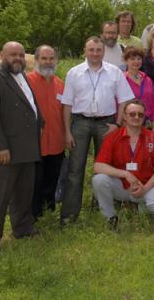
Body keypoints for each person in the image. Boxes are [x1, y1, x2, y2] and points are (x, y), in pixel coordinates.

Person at [0, 41, 42, 251]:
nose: (18, 59)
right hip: (5, 151)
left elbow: (29, 106)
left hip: (27, 148)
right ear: (1, 56)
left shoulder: (22, 76)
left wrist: (40, 124)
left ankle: (22, 229)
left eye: (21, 55)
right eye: (13, 55)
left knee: (23, 194)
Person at [60, 36, 135, 224]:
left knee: (106, 170)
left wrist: (117, 124)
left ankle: (104, 211)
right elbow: (67, 104)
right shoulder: (73, 73)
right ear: (85, 50)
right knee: (75, 170)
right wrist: (67, 132)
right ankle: (69, 216)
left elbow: (125, 99)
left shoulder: (114, 72)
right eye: (91, 50)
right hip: (80, 123)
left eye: (98, 50)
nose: (95, 53)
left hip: (106, 124)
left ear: (103, 51)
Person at [92, 100, 154, 229]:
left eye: (140, 114)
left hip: (144, 186)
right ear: (125, 116)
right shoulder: (113, 137)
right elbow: (98, 166)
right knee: (99, 179)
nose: (136, 117)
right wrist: (125, 174)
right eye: (132, 114)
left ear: (144, 118)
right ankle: (110, 217)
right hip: (121, 186)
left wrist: (145, 188)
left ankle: (139, 208)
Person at [27, 45, 65, 219]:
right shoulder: (27, 82)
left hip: (57, 142)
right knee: (35, 182)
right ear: (36, 61)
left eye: (51, 59)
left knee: (52, 179)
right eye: (44, 58)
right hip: (35, 143)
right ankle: (34, 216)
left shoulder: (60, 84)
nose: (48, 62)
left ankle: (48, 212)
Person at [123, 46, 154, 128]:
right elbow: (118, 104)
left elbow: (153, 102)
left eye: (139, 58)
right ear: (126, 61)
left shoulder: (147, 80)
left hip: (146, 122)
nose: (136, 61)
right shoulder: (122, 80)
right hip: (128, 122)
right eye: (132, 59)